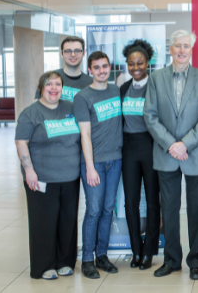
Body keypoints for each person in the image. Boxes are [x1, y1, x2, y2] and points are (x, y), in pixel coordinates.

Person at [143, 30, 198, 281]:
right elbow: (150, 116)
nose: (182, 50)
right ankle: (172, 260)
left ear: (191, 50)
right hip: (166, 154)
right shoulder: (156, 78)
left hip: (195, 154)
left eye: (186, 46)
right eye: (178, 46)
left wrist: (184, 144)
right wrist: (171, 144)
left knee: (197, 210)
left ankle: (196, 261)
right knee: (170, 209)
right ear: (171, 49)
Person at [15, 71, 81, 280]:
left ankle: (65, 261)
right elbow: (21, 142)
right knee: (44, 222)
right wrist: (29, 170)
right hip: (42, 178)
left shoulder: (71, 108)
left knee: (67, 221)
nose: (54, 88)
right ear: (41, 88)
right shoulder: (31, 113)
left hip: (70, 177)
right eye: (49, 84)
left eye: (58, 84)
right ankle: (45, 265)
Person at [74, 51, 122, 279]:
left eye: (105, 66)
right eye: (97, 67)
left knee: (107, 209)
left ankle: (102, 255)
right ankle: (87, 259)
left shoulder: (115, 90)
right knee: (93, 211)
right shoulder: (83, 97)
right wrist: (90, 167)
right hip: (94, 163)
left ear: (109, 67)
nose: (102, 70)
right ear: (90, 69)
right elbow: (85, 134)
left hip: (116, 159)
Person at [120, 39, 161, 270]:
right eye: (131, 64)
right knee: (130, 202)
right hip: (129, 149)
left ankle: (149, 251)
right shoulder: (124, 89)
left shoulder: (155, 86)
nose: (135, 68)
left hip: (151, 147)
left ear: (148, 63)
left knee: (154, 202)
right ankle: (136, 249)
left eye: (140, 63)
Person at [35, 36, 92, 101]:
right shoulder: (48, 79)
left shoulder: (91, 83)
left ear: (83, 53)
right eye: (68, 51)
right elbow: (37, 107)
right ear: (62, 54)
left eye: (77, 51)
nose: (73, 54)